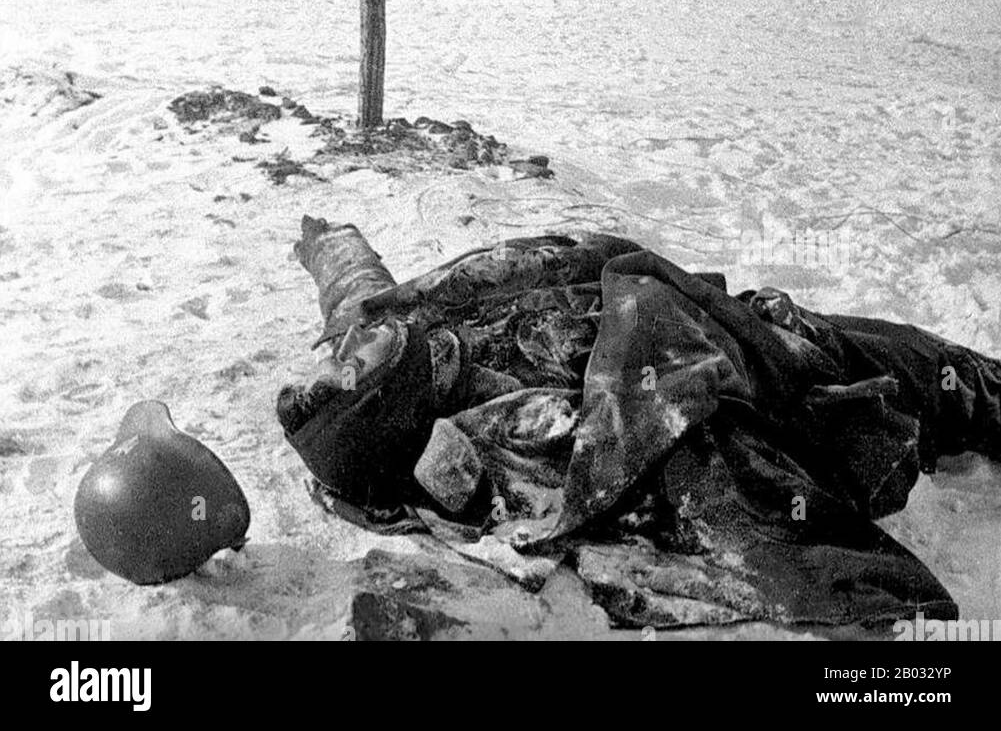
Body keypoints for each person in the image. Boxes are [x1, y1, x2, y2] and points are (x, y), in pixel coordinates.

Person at [277, 220, 1001, 630]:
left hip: (740, 320)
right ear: (387, 404)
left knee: (927, 360)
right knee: (943, 377)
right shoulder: (523, 428)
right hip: (774, 368)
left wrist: (326, 241)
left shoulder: (401, 326)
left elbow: (353, 286)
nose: (342, 360)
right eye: (345, 377)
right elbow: (688, 465)